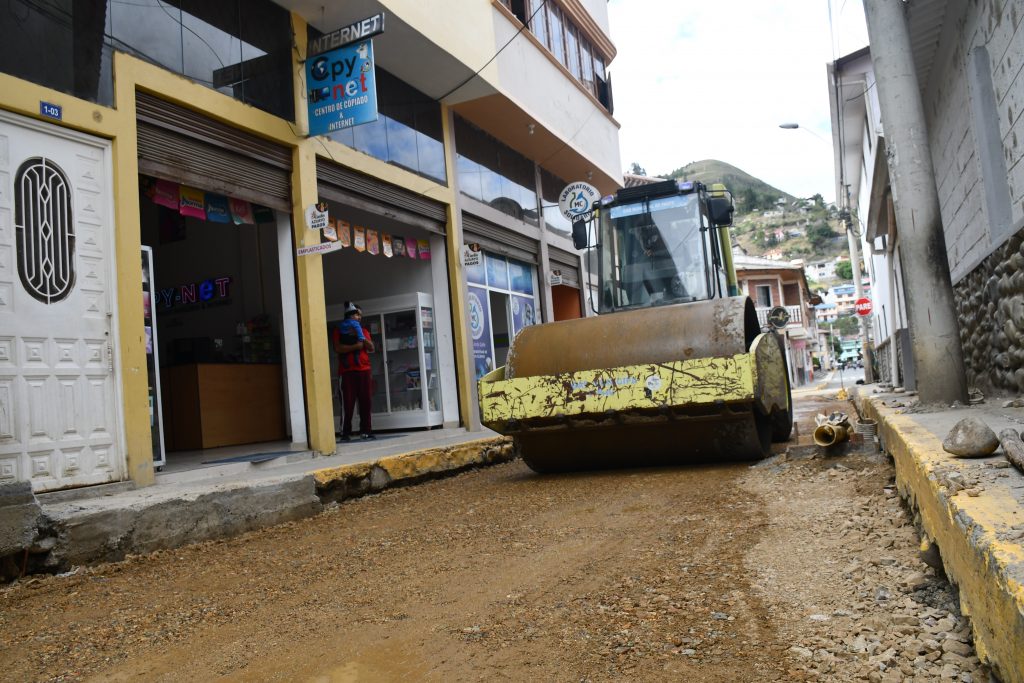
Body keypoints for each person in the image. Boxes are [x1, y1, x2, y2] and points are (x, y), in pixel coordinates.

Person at [333, 304, 375, 441]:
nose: (359, 318)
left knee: (366, 401)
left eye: (360, 315)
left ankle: (366, 431)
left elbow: (371, 347)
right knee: (347, 403)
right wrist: (356, 346)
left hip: (364, 370)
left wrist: (361, 336)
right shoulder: (339, 331)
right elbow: (338, 348)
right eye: (357, 315)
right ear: (349, 315)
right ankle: (345, 433)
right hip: (347, 372)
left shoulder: (363, 330)